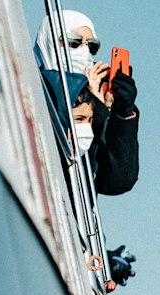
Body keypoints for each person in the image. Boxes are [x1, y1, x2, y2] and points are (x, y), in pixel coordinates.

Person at [35, 12, 139, 197]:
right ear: (50, 41)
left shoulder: (91, 96)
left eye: (92, 46)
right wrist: (96, 108)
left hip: (74, 219)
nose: (84, 51)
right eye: (74, 42)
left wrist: (120, 114)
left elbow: (117, 181)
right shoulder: (40, 86)